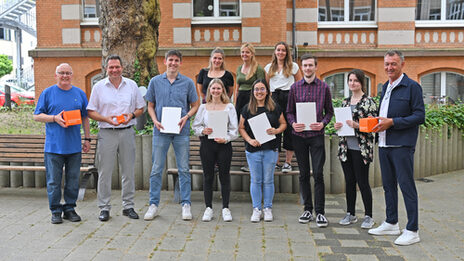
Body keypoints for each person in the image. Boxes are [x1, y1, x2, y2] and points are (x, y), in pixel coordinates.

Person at [369, 50, 425, 246]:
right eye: (386, 64)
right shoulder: (385, 87)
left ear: (402, 64)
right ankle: (391, 222)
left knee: (406, 186)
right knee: (388, 186)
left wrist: (393, 122)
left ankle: (412, 229)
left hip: (402, 146)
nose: (389, 68)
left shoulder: (412, 87)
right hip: (384, 144)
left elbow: (419, 116)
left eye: (393, 64)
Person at [87, 55, 145, 222]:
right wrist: (105, 119)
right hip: (107, 133)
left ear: (122, 67)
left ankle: (128, 206)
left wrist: (132, 115)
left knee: (128, 171)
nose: (114, 70)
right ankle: (104, 208)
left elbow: (140, 108)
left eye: (117, 67)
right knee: (105, 172)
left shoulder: (131, 85)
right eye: (111, 67)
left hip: (127, 131)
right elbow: (91, 111)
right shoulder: (98, 87)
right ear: (106, 68)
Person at [144, 49, 199, 221]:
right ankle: (153, 205)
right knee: (156, 169)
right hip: (160, 131)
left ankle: (186, 204)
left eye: (176, 60)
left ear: (180, 63)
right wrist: (154, 120)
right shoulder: (155, 82)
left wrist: (187, 117)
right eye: (170, 60)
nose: (173, 63)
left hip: (181, 131)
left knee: (183, 168)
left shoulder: (188, 83)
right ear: (165, 61)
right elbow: (150, 105)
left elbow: (195, 105)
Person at [33, 63, 91, 224]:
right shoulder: (48, 93)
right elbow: (37, 116)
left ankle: (70, 209)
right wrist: (54, 118)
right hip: (53, 147)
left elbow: (85, 117)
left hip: (74, 147)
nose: (65, 76)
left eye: (68, 73)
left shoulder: (79, 94)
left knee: (73, 181)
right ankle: (56, 211)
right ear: (56, 75)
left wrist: (87, 138)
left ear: (72, 75)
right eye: (61, 73)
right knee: (53, 182)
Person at [287, 53, 334, 227]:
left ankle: (320, 212)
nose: (307, 68)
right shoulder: (294, 88)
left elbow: (329, 112)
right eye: (304, 65)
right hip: (299, 136)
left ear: (316, 67)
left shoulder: (324, 88)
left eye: (310, 65)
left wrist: (322, 124)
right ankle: (307, 209)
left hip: (316, 136)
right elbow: (289, 112)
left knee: (319, 174)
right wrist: (293, 124)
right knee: (304, 174)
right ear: (301, 67)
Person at [333, 69, 377, 229]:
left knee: (362, 181)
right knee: (349, 181)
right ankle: (350, 213)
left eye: (355, 81)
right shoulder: (345, 102)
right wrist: (337, 126)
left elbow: (373, 126)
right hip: (346, 148)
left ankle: (368, 216)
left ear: (361, 83)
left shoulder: (369, 102)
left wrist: (357, 125)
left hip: (361, 148)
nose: (352, 83)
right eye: (350, 80)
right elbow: (341, 125)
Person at [239, 79, 287, 222]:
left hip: (270, 149)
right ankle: (256, 209)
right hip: (252, 149)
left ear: (267, 91)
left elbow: (284, 123)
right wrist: (249, 140)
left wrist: (276, 130)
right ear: (253, 92)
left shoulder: (274, 107)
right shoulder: (247, 108)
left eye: (262, 89)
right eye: (256, 89)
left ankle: (267, 208)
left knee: (268, 180)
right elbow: (241, 128)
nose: (259, 92)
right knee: (255, 180)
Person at [192, 78, 238, 222]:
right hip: (207, 144)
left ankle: (225, 208)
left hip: (224, 144)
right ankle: (208, 208)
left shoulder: (229, 107)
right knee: (208, 176)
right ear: (209, 90)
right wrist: (203, 130)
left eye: (219, 88)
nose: (216, 91)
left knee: (224, 176)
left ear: (223, 90)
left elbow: (234, 130)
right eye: (213, 88)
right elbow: (195, 127)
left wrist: (227, 138)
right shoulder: (203, 107)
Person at [264, 41, 302, 172]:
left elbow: (299, 84)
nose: (280, 52)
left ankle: (288, 162)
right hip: (274, 98)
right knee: (274, 128)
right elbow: (267, 87)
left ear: (287, 53)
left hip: (289, 97)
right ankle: (276, 162)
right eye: (278, 50)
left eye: (283, 50)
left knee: (289, 129)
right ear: (275, 52)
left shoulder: (293, 66)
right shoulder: (269, 67)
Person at [234, 43, 266, 172]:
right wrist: (235, 103)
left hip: (252, 100)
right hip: (240, 100)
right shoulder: (239, 68)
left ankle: (257, 161)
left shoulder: (258, 68)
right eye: (242, 52)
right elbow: (237, 87)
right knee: (243, 129)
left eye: (247, 52)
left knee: (254, 129)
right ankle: (249, 161)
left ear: (252, 53)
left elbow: (261, 86)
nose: (244, 55)